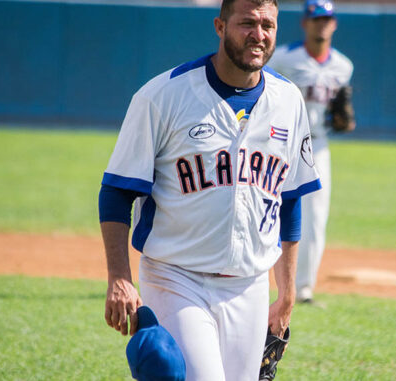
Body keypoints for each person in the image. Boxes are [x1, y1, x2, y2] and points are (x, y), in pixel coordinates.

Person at [98, 0, 321, 379]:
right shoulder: (163, 96)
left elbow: (290, 201)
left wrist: (286, 294)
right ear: (220, 26)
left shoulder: (288, 101)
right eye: (247, 23)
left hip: (249, 284)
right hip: (176, 277)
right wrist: (119, 277)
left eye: (268, 24)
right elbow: (116, 193)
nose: (259, 34)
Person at [268, 0, 354, 304]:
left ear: (334, 24)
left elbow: (339, 111)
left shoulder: (343, 67)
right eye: (316, 19)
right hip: (277, 140)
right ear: (305, 23)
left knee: (315, 216)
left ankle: (303, 289)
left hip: (316, 145)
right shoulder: (282, 58)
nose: (322, 24)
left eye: (327, 19)